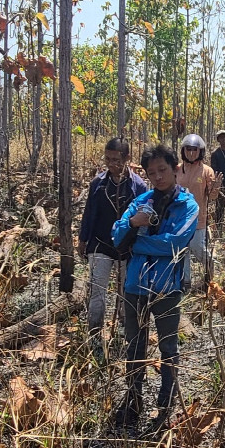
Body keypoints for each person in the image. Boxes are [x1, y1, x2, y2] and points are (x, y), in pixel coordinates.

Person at [111, 144, 199, 431]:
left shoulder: (188, 205)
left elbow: (174, 243)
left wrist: (134, 240)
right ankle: (134, 397)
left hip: (167, 287)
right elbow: (116, 234)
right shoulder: (141, 201)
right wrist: (134, 224)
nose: (158, 177)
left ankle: (167, 398)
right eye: (152, 173)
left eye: (163, 170)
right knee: (134, 344)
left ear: (175, 169)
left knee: (168, 345)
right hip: (135, 285)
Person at [78, 137, 147, 360]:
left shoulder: (138, 186)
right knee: (97, 291)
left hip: (129, 247)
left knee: (128, 293)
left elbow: (143, 217)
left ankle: (126, 332)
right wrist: (83, 240)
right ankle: (94, 335)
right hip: (100, 243)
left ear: (127, 159)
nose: (111, 164)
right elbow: (89, 214)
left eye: (116, 159)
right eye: (107, 159)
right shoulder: (98, 184)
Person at [174, 134, 219, 290]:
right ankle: (185, 283)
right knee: (182, 251)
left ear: (200, 151)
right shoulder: (177, 169)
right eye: (188, 149)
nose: (191, 152)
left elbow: (213, 196)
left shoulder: (207, 171)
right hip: (179, 219)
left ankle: (210, 270)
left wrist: (216, 188)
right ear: (183, 150)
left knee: (198, 249)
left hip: (198, 219)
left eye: (195, 149)